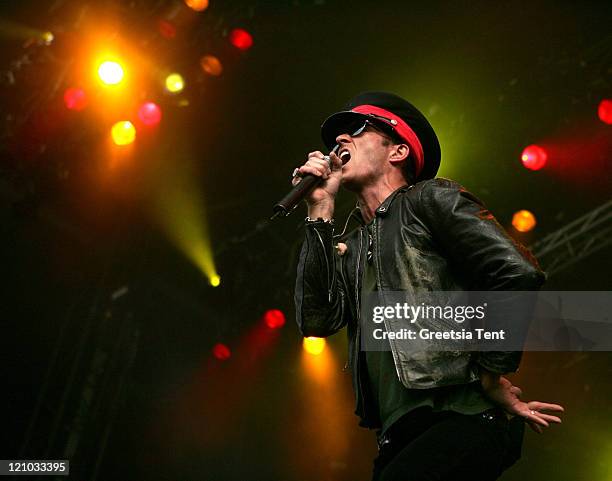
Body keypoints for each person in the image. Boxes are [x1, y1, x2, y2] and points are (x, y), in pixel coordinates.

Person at [292, 91, 564, 481]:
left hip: (459, 415)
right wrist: (319, 210)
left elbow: (515, 273)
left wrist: (490, 374)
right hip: (398, 434)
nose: (340, 141)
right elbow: (316, 320)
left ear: (398, 150)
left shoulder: (429, 198)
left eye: (356, 130)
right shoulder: (350, 245)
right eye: (337, 136)